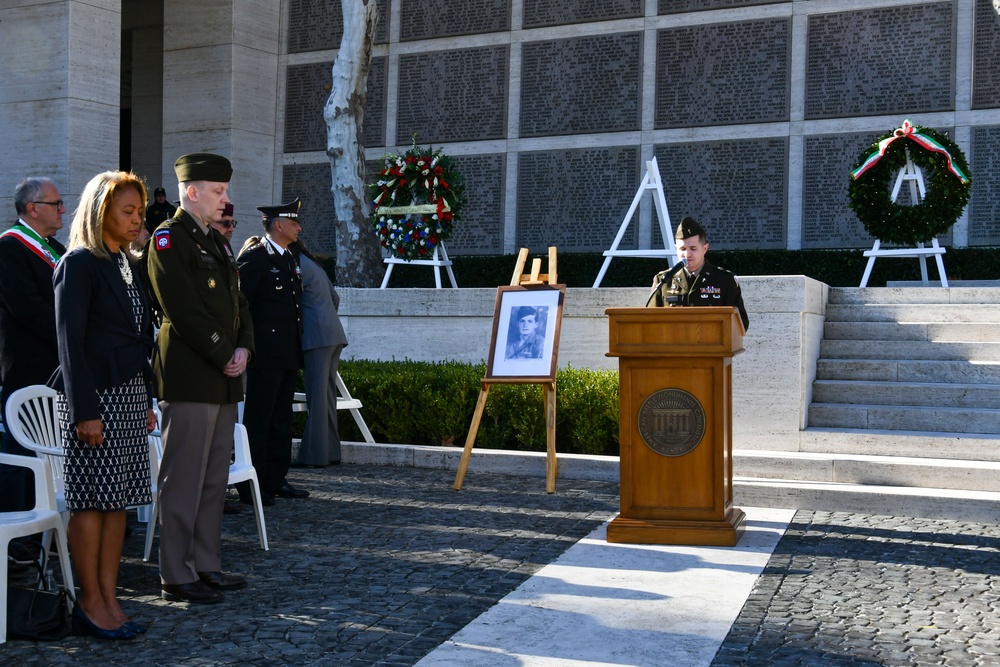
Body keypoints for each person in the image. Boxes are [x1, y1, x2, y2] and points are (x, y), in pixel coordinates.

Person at [50, 171, 157, 639]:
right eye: (127, 211)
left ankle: (111, 599)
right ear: (101, 212)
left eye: (139, 211)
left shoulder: (127, 263)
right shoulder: (79, 263)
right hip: (96, 401)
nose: (137, 220)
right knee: (91, 503)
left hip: (130, 396)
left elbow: (137, 337)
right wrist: (85, 411)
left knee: (119, 505)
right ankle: (89, 603)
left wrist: (148, 397)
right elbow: (69, 343)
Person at [146, 153, 254, 604]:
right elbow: (182, 310)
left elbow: (238, 304)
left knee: (214, 479)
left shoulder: (217, 242)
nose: (225, 200)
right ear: (192, 192)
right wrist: (223, 350)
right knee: (183, 478)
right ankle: (176, 572)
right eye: (218, 191)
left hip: (224, 377)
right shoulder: (169, 240)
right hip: (191, 375)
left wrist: (244, 347)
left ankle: (207, 563)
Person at [0, 177, 67, 514]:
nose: (62, 210)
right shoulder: (9, 247)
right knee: (22, 450)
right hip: (29, 365)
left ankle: (55, 519)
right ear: (32, 208)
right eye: (56, 204)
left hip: (59, 366)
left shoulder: (55, 247)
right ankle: (19, 525)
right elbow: (27, 307)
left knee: (55, 448)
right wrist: (73, 334)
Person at [237, 199, 308, 503]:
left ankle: (276, 478)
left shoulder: (290, 258)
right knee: (259, 419)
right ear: (278, 225)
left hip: (287, 353)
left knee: (281, 418)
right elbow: (241, 307)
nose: (298, 227)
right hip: (264, 355)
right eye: (293, 223)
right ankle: (253, 484)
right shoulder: (255, 259)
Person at [290, 240, 348, 467]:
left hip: (316, 338)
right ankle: (331, 452)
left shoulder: (296, 265)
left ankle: (314, 456)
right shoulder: (313, 264)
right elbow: (335, 298)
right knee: (327, 396)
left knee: (317, 397)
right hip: (333, 334)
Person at [648, 216, 750, 331]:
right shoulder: (664, 280)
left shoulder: (725, 280)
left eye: (693, 248)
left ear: (705, 249)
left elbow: (741, 324)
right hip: (674, 347)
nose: (687, 254)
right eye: (682, 249)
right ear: (676, 249)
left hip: (711, 347)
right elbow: (650, 321)